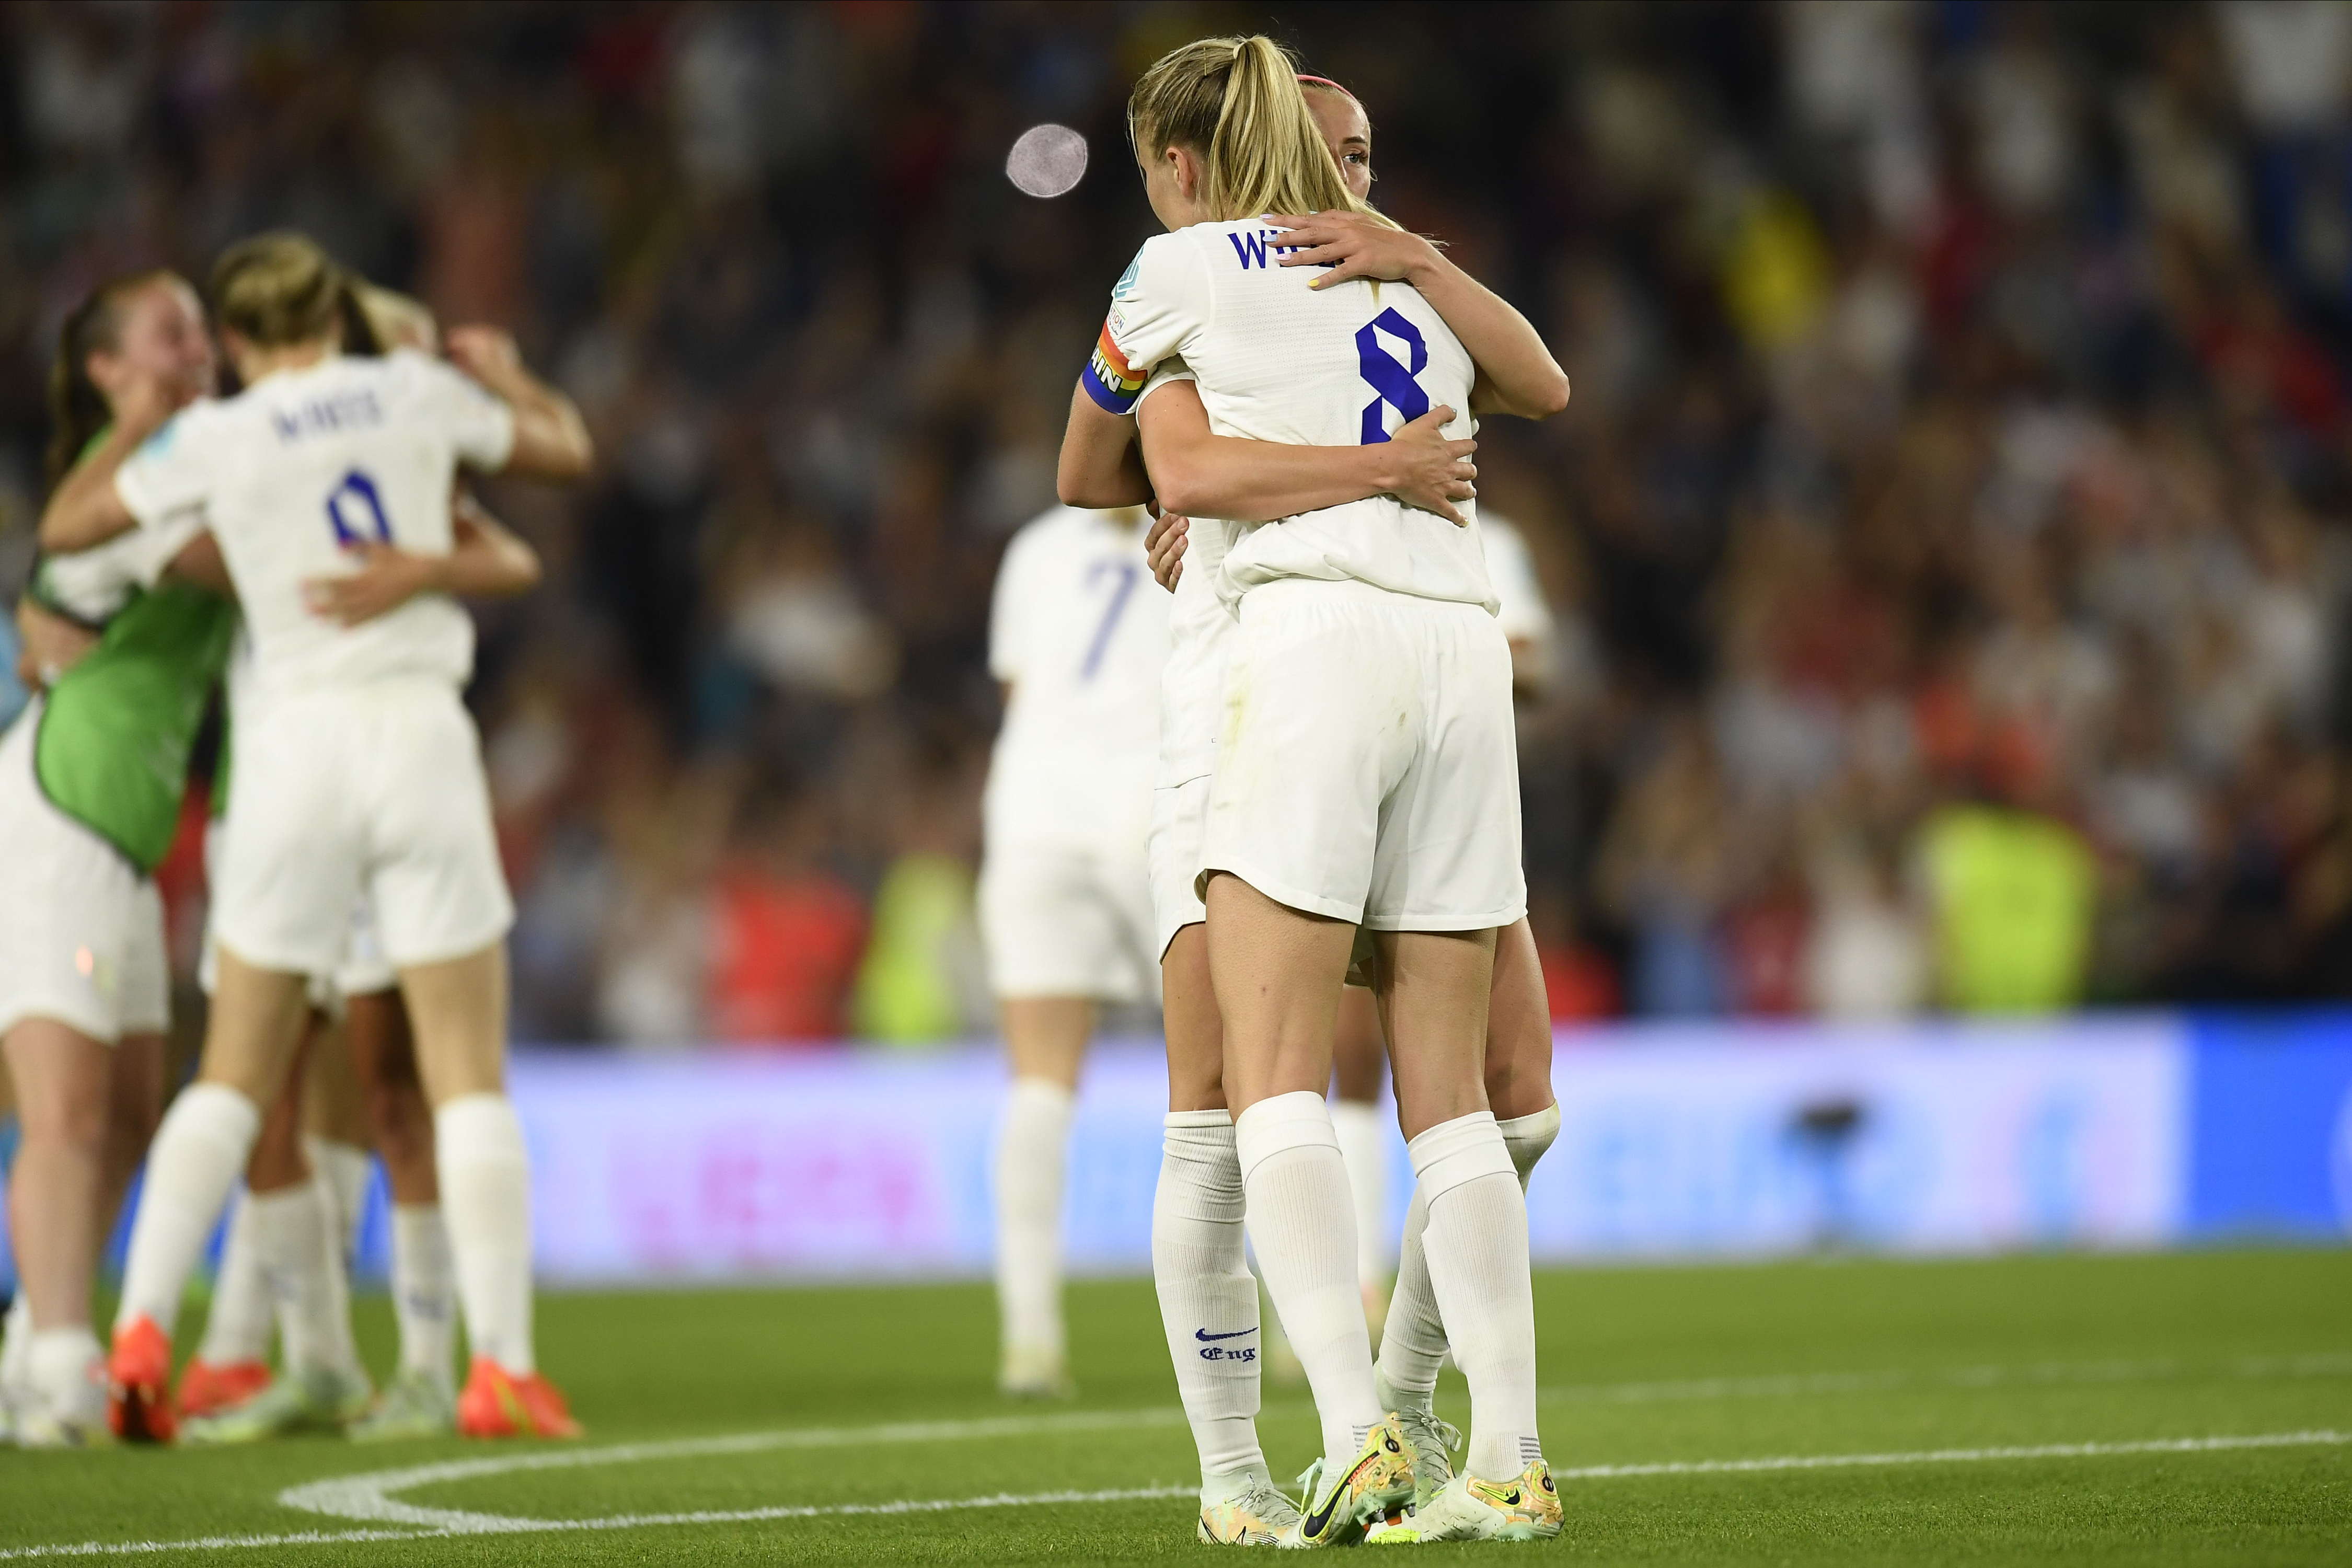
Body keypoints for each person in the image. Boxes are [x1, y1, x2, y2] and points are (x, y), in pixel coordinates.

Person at [1059, 38, 1568, 1544]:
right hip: (1453, 649)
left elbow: (1112, 468)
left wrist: (1208, 490)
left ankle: (1357, 1431)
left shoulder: (1182, 271)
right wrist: (1374, 459)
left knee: (1260, 1082)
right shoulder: (1404, 274)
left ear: (1179, 161)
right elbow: (1539, 382)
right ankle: (1491, 1452)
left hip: (1294, 665)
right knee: (1452, 1103)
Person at [40, 230, 592, 1443]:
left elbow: (69, 524)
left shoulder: (220, 435)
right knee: (463, 1077)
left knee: (236, 1070)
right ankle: (499, 1366)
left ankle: (139, 1332)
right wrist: (498, 376)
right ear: (340, 316)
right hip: (416, 738)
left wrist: (140, 424)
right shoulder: (409, 389)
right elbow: (565, 453)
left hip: (288, 753)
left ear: (233, 342)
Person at [178, 281, 544, 1446]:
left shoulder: (410, 472)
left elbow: (512, 558)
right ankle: (310, 1353)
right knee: (281, 1090)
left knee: (389, 1082)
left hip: (352, 780)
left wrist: (424, 566)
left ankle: (432, 1360)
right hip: (282, 798)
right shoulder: (249, 460)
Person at [0, 270, 232, 1446]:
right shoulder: (150, 486)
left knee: (135, 1110)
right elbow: (246, 569)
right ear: (105, 369)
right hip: (65, 814)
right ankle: (58, 1363)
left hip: (129, 831)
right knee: (68, 1112)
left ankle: (25, 1349)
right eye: (170, 331)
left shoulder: (182, 464)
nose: (199, 345)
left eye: (202, 327)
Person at [978, 500, 1168, 1398]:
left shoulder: (1034, 548)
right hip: (1157, 811)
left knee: (1039, 1083)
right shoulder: (1205, 526)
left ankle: (1030, 1341)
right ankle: (1295, 1325)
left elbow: (1018, 686)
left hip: (1032, 815)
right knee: (1250, 1063)